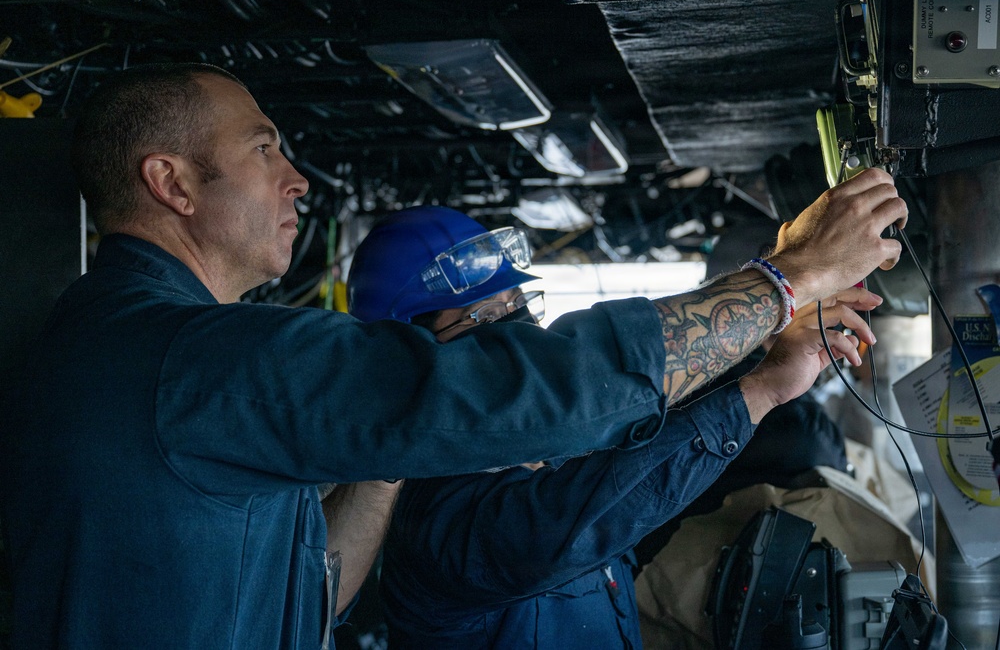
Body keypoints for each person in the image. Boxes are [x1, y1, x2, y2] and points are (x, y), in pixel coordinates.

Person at [0, 62, 905, 649]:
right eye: (263, 148)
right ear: (172, 183)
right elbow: (535, 399)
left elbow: (313, 600)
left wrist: (389, 443)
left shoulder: (131, 348)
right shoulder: (194, 357)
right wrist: (786, 278)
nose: (297, 179)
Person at [344, 206, 882, 648]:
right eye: (486, 316)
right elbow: (593, 512)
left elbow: (639, 409)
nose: (519, 332)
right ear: (409, 359)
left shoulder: (547, 446)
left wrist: (760, 346)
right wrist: (761, 389)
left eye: (519, 304)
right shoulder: (438, 521)